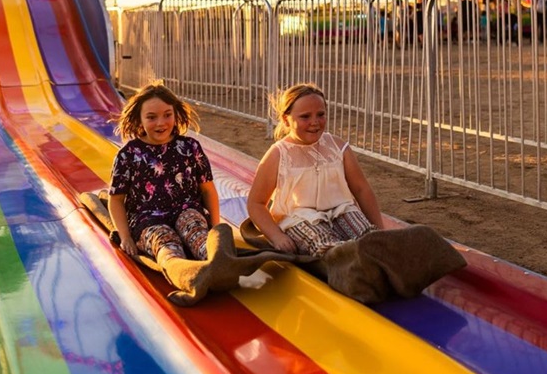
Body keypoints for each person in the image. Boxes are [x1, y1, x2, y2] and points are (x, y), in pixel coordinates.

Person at [247, 84, 384, 254]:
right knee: (328, 246)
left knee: (370, 239)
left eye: (320, 115)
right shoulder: (278, 154)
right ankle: (348, 267)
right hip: (300, 219)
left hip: (341, 211)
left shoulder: (337, 147)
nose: (314, 122)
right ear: (285, 120)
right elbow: (256, 203)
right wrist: (276, 236)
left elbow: (361, 189)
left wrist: (380, 232)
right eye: (305, 117)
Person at [109, 83, 221, 263]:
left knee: (197, 233)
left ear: (175, 114)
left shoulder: (189, 147)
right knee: (165, 242)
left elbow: (208, 190)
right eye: (151, 117)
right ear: (139, 120)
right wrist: (125, 236)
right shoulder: (128, 155)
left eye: (167, 115)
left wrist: (216, 230)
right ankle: (180, 269)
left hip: (186, 210)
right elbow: (116, 200)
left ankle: (216, 261)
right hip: (148, 219)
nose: (161, 123)